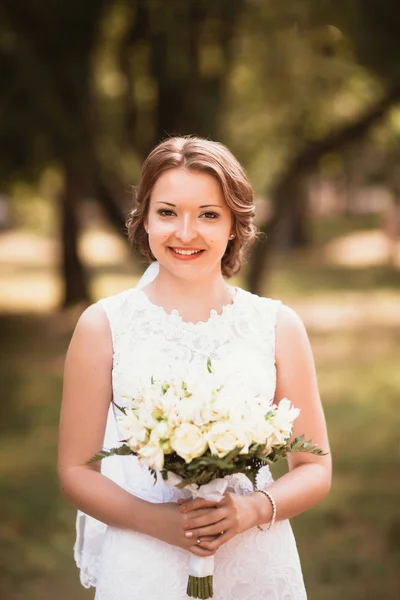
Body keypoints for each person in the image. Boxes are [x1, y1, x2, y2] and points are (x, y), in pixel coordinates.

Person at [58, 136, 331, 599]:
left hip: (254, 561)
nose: (186, 233)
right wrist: (163, 524)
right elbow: (76, 471)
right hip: (145, 560)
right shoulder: (102, 326)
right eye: (167, 212)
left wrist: (252, 510)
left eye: (208, 214)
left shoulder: (278, 326)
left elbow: (314, 467)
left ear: (233, 225)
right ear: (144, 218)